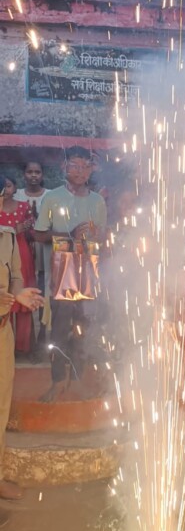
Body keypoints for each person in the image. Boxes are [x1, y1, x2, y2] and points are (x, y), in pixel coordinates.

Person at [33, 147, 107, 402]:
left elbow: (103, 237)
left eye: (85, 166)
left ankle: (76, 381)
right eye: (74, 165)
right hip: (61, 273)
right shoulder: (52, 197)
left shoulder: (98, 201)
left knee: (82, 330)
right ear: (64, 167)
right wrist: (70, 235)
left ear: (91, 169)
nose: (79, 171)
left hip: (89, 273)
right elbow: (38, 234)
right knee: (59, 330)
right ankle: (56, 381)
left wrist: (95, 236)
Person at [0, 175, 44, 500]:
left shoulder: (7, 236)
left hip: (3, 331)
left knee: (1, 406)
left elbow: (15, 276)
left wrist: (20, 294)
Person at [14, 160, 49, 357]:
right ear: (24, 174)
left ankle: (43, 341)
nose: (33, 175)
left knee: (42, 295)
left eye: (37, 171)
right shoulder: (15, 195)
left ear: (42, 174)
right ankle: (25, 343)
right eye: (30, 172)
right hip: (22, 254)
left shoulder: (50, 196)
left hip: (44, 254)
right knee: (24, 295)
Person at [0, 176, 36, 353]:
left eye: (8, 186)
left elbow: (34, 233)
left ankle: (22, 347)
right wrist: (16, 229)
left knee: (20, 298)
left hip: (20, 253)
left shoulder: (24, 207)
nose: (5, 191)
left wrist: (27, 228)